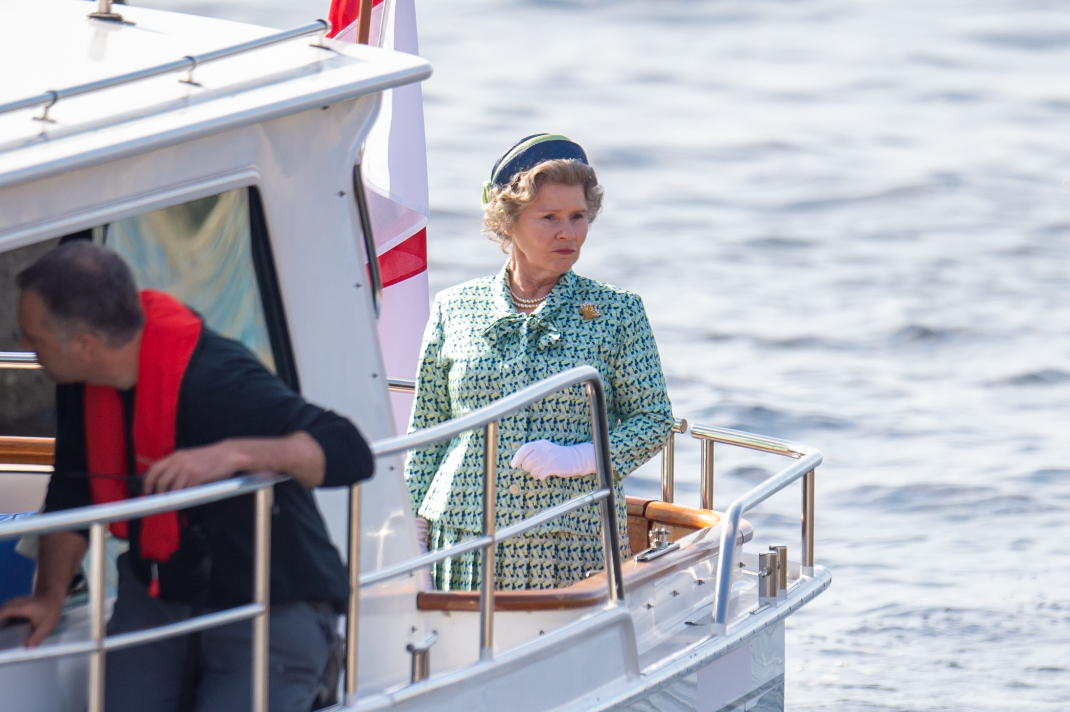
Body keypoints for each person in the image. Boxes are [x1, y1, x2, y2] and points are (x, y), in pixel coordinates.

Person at [0, 242, 374, 712]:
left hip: (268, 601)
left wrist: (233, 454)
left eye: (34, 339)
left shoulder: (219, 378)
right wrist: (50, 595)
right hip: (161, 590)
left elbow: (350, 448)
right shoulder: (82, 381)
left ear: (85, 346)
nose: (25, 349)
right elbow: (75, 487)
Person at [406, 134, 674, 591]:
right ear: (508, 222)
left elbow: (654, 422)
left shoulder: (617, 311)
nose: (568, 232)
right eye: (549, 217)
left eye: (577, 216)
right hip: (463, 538)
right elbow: (429, 427)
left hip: (572, 539)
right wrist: (411, 526)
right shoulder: (455, 307)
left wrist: (582, 458)